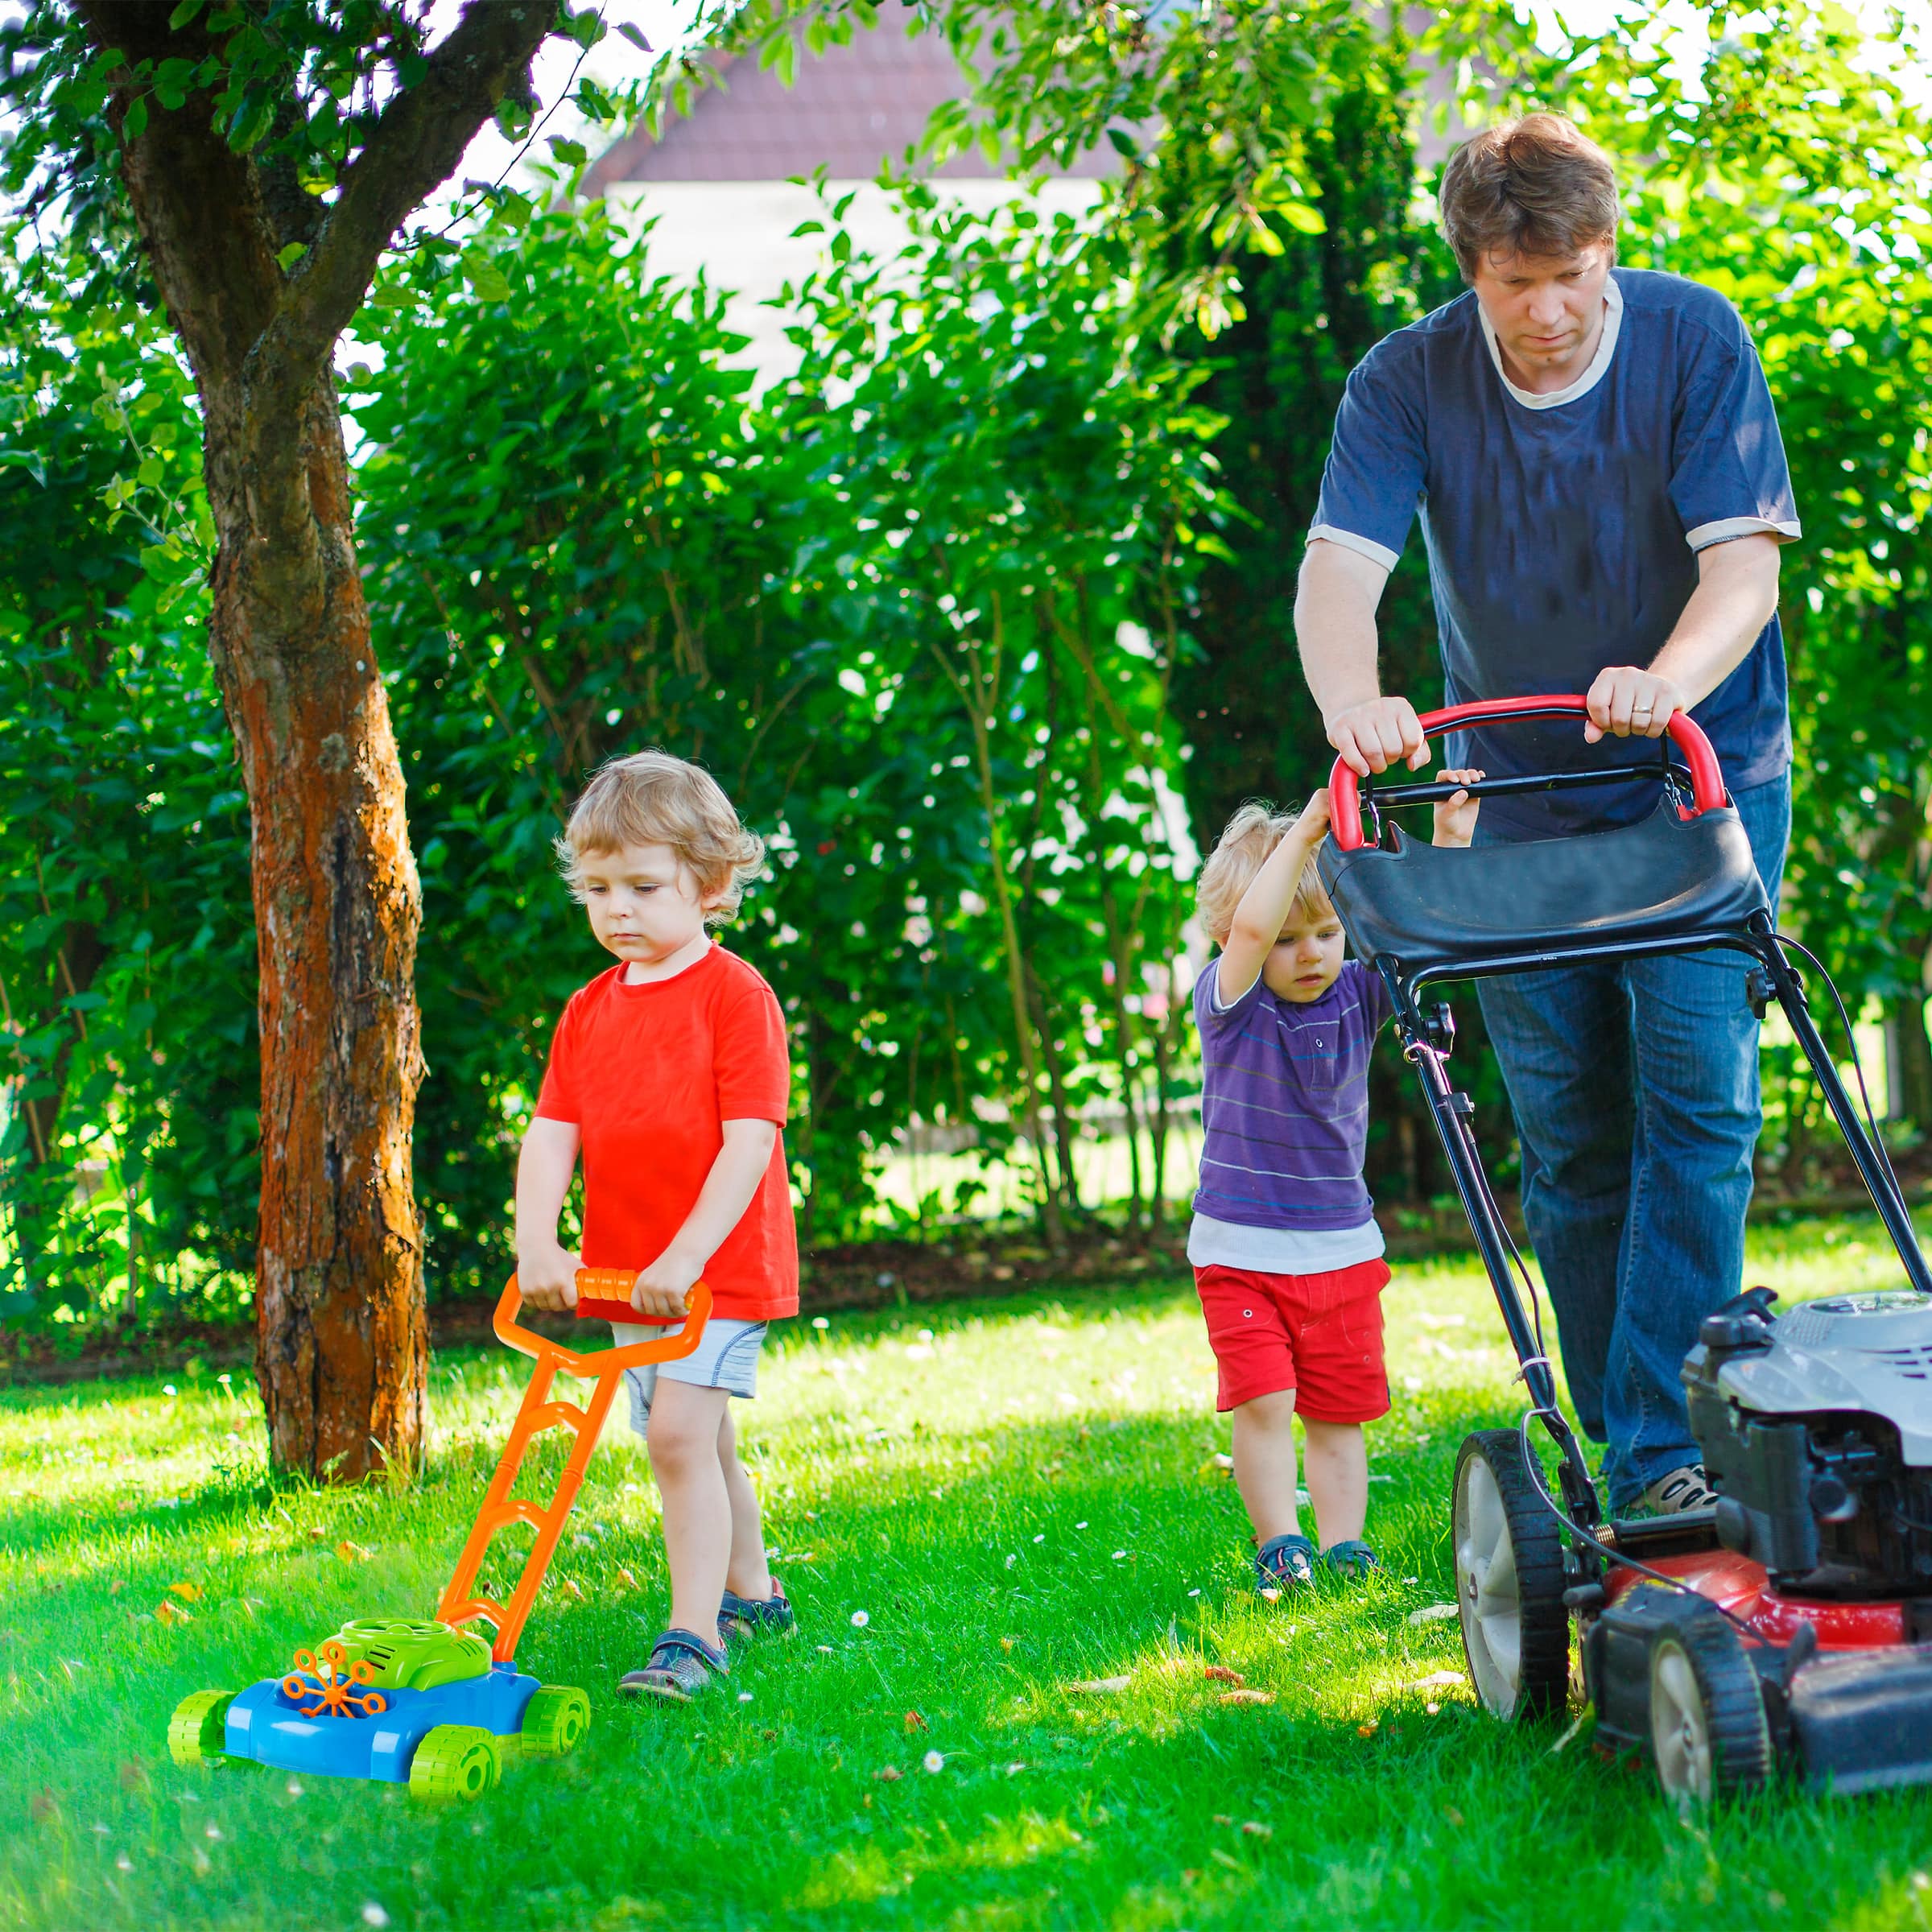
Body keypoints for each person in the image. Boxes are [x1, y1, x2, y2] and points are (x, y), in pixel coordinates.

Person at [1294, 112, 1799, 1517]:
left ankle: (1656, 1453)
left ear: (1606, 249)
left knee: (1701, 1103)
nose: (1555, 309)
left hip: (1697, 778)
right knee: (1575, 1135)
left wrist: (1665, 682)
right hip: (1512, 798)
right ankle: (1649, 1453)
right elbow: (1342, 572)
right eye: (1521, 283)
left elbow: (1743, 575)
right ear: (1472, 270)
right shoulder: (1407, 381)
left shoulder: (1695, 342)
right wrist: (1359, 708)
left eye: (1577, 271)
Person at [514, 750, 799, 1700]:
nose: (617, 910)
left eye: (642, 886)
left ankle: (695, 1634)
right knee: (701, 1438)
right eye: (598, 889)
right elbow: (553, 1133)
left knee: (676, 1437)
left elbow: (749, 1143)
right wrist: (538, 1242)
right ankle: (754, 1594)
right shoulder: (587, 1011)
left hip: (713, 1271)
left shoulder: (735, 996)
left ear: (710, 885)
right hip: (626, 1270)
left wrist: (686, 1255)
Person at [1190, 774, 1482, 1591]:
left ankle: (1345, 1545)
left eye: (1324, 932)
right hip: (1240, 1252)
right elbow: (1253, 922)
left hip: (1342, 1251)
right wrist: (1311, 833)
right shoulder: (1233, 1004)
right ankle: (1280, 1544)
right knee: (1265, 1402)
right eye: (1288, 939)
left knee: (1338, 1411)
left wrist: (1450, 839)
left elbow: (1423, 938)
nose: (1310, 952)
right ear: (1233, 939)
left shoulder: (1358, 995)